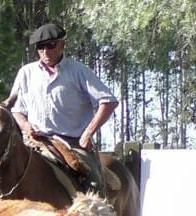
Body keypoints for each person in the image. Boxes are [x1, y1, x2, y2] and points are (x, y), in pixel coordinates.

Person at [10, 23, 118, 194]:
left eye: (51, 45)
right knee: (1, 177)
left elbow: (108, 101)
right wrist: (26, 126)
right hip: (34, 143)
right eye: (40, 47)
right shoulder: (26, 73)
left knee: (94, 187)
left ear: (62, 45)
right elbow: (16, 109)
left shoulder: (78, 71)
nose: (45, 51)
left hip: (72, 144)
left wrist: (88, 133)